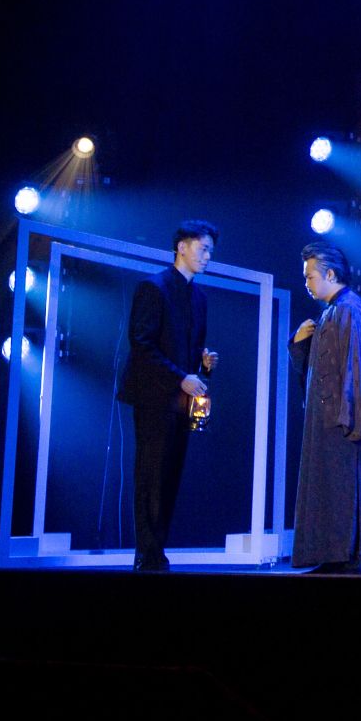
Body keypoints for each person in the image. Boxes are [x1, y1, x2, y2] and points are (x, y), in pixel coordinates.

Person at [118, 219, 220, 571]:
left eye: (210, 251)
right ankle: (147, 552)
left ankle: (156, 549)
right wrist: (181, 378)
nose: (207, 256)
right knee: (151, 473)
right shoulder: (153, 287)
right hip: (153, 396)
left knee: (170, 474)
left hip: (180, 399)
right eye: (203, 248)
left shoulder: (199, 298)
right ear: (182, 247)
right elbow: (142, 344)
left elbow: (189, 351)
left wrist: (203, 365)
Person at [290, 241, 361, 575]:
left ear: (330, 274)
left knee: (345, 485)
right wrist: (299, 344)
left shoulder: (349, 309)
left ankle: (350, 556)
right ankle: (334, 555)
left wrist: (350, 415)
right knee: (328, 486)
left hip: (343, 417)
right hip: (330, 416)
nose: (306, 283)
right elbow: (319, 372)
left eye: (311, 276)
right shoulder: (332, 311)